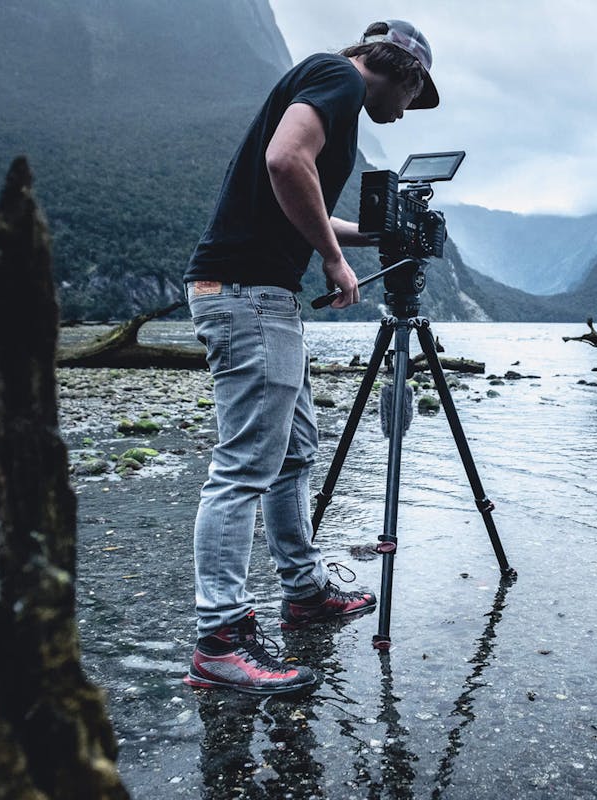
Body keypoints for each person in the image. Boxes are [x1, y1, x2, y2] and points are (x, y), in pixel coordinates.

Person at [181, 20, 441, 696]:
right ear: (403, 73)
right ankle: (218, 642)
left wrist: (373, 235)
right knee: (242, 469)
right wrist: (330, 258)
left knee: (293, 452)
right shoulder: (336, 77)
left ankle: (303, 594)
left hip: (258, 297)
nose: (406, 112)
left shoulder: (330, 85)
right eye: (413, 96)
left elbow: (308, 201)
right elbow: (284, 161)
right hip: (248, 296)